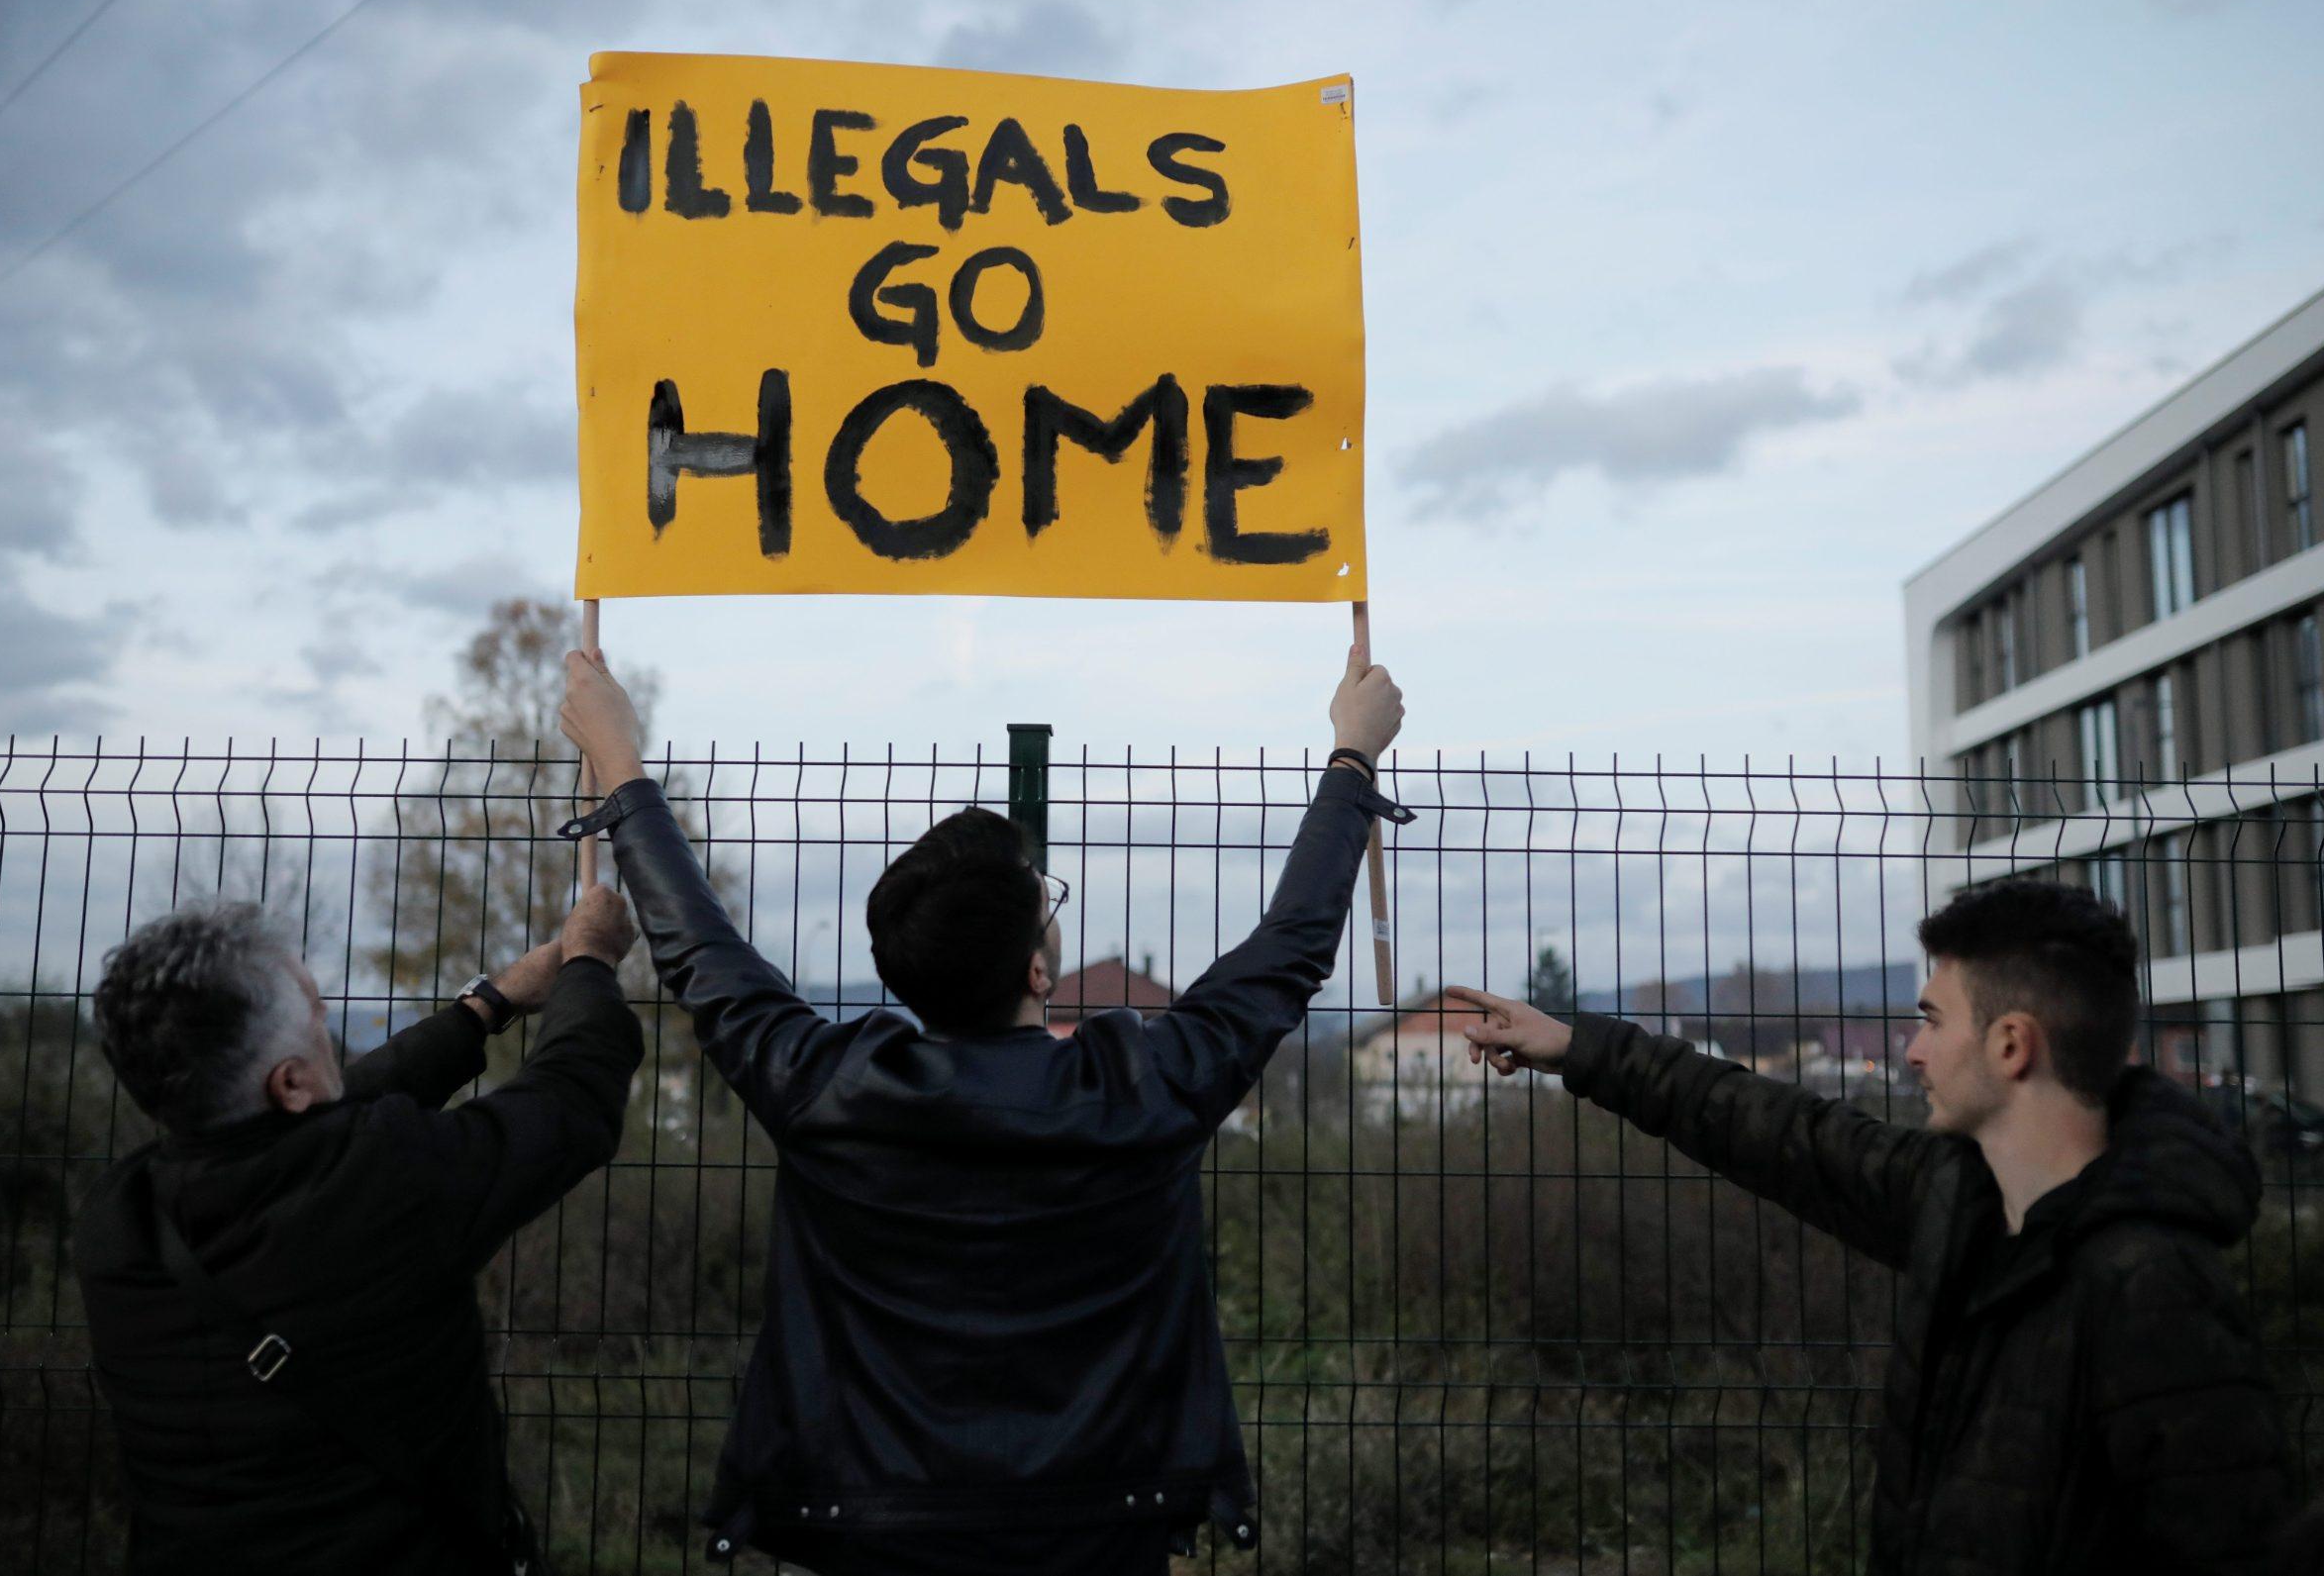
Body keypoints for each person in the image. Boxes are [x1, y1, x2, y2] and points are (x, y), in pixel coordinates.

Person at [556, 642, 1407, 1574]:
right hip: (1100, 1531)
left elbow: (697, 949)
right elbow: (1288, 948)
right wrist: (1351, 758)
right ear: (1039, 970)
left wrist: (620, 758)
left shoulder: (825, 1088)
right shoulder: (1142, 1088)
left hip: (876, 1531)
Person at [1447, 877, 2289, 1574]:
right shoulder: (1963, 1202)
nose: (1912, 1052)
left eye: (1930, 1019)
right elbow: (1780, 1132)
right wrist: (1579, 1047)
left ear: (2009, 1045)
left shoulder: (2154, 1288)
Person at [73, 884, 643, 1575]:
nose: (327, 1027)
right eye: (317, 1012)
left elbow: (325, 1112)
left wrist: (484, 1007)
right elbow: (571, 1098)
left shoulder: (118, 1219)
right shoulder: (386, 1183)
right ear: (288, 1083)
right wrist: (591, 961)